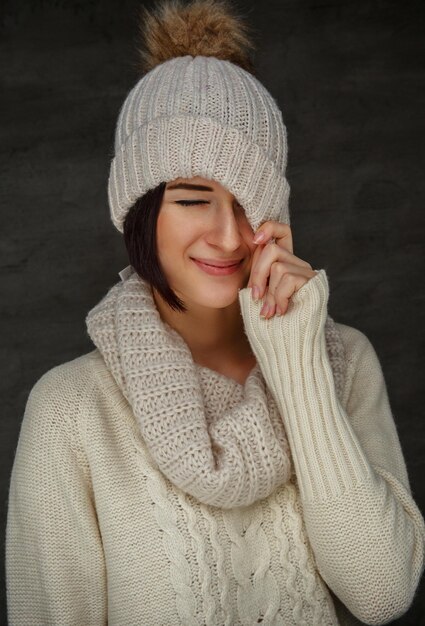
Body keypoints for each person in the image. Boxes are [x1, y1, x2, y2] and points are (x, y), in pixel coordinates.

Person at [6, 0, 425, 624]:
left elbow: (382, 593)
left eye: (248, 203)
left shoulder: (343, 362)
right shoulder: (71, 411)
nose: (227, 237)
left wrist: (296, 362)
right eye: (194, 199)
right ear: (141, 211)